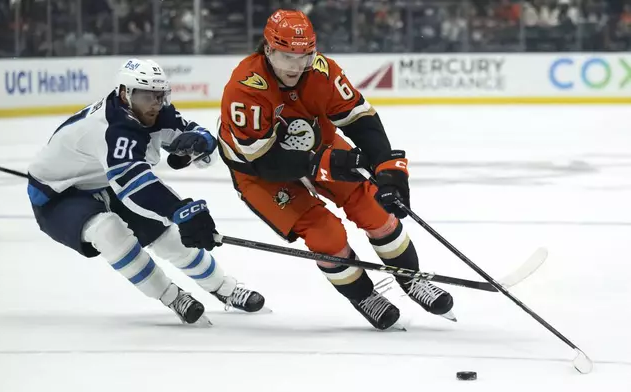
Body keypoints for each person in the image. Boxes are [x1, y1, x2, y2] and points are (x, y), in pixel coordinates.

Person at [217, 9, 455, 330]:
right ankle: (363, 295)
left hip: (318, 145)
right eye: (287, 56)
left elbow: (361, 121)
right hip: (257, 169)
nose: (296, 66)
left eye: (305, 55)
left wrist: (387, 168)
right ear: (268, 49)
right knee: (325, 235)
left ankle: (410, 279)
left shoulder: (322, 71)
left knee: (375, 210)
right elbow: (265, 162)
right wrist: (324, 165)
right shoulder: (245, 89)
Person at [27, 58, 265, 325]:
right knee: (108, 231)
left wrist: (202, 141)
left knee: (168, 237)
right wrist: (178, 210)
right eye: (146, 96)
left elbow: (190, 133)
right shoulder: (112, 129)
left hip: (100, 182)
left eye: (159, 95)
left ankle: (225, 288)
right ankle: (172, 296)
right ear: (124, 94)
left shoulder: (152, 111)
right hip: (57, 195)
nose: (154, 103)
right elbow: (134, 186)